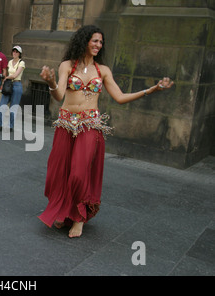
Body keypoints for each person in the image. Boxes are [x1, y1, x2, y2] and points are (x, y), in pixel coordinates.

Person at [38, 25, 174, 238]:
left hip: (90, 126)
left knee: (79, 172)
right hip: (66, 124)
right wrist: (51, 82)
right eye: (94, 41)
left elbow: (119, 97)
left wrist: (152, 89)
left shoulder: (103, 71)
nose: (98, 45)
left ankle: (79, 217)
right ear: (84, 41)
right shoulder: (67, 65)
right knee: (60, 171)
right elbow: (59, 95)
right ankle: (64, 212)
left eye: (101, 42)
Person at [0, 45, 25, 131]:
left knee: (13, 107)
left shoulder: (21, 62)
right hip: (8, 84)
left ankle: (10, 126)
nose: (15, 53)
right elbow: (7, 72)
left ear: (19, 53)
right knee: (1, 105)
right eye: (13, 51)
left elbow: (15, 75)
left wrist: (6, 78)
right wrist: (4, 81)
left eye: (17, 52)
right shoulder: (10, 62)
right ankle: (0, 124)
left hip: (17, 85)